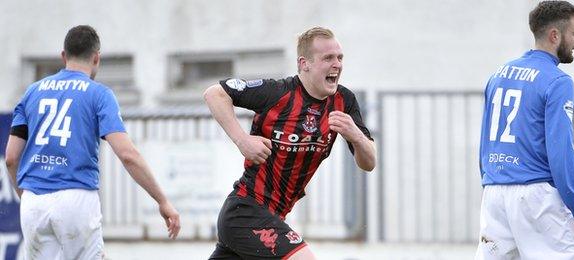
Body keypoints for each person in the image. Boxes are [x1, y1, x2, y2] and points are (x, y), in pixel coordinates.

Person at [4, 25, 181, 259]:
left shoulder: (31, 92)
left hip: (33, 201)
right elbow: (128, 155)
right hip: (76, 198)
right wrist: (162, 200)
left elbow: (11, 158)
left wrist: (27, 196)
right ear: (96, 57)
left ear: (63, 56)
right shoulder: (99, 94)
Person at [203, 26, 376, 260]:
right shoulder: (277, 93)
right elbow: (214, 94)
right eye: (328, 58)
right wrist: (242, 140)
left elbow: (369, 163)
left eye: (340, 57)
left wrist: (355, 134)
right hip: (246, 211)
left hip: (272, 216)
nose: (337, 64)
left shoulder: (344, 100)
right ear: (304, 63)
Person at [476, 1, 574, 259]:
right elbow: (562, 153)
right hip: (536, 198)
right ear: (555, 35)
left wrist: (490, 181)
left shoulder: (499, 74)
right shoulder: (558, 82)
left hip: (494, 192)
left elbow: (485, 141)